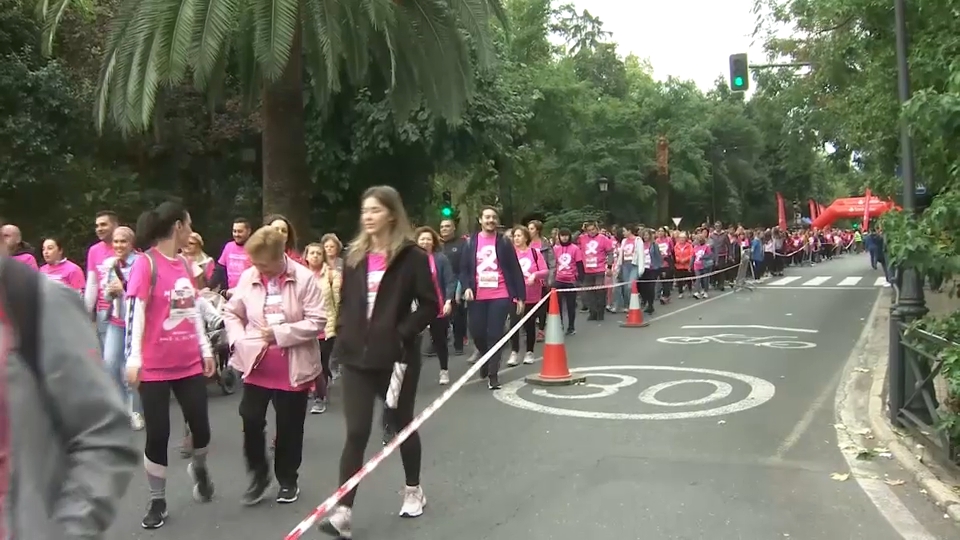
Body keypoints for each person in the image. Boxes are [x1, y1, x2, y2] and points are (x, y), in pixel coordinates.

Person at [318, 186, 438, 538]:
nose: (367, 216)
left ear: (391, 213)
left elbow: (430, 304)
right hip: (357, 358)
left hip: (397, 359)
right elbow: (347, 305)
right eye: (364, 210)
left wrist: (403, 332)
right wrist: (342, 336)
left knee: (400, 425)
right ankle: (343, 512)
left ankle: (414, 488)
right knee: (356, 432)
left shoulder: (411, 256)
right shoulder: (354, 256)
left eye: (375, 210)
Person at [0, 254, 139, 538]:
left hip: (114, 322)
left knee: (115, 366)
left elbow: (103, 433)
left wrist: (68, 530)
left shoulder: (30, 300)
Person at [125, 201, 217, 529]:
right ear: (178, 226)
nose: (192, 231)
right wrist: (134, 358)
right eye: (189, 224)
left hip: (189, 361)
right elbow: (135, 313)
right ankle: (157, 500)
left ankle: (200, 467)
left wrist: (206, 349)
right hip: (153, 365)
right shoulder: (145, 264)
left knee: (201, 429)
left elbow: (192, 310)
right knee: (158, 434)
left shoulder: (184, 265)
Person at [223, 226, 324, 506]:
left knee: (290, 426)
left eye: (264, 264)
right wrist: (238, 340)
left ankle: (288, 480)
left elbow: (317, 321)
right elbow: (232, 312)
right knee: (250, 417)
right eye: (254, 263)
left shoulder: (304, 278)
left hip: (294, 366)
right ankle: (258, 474)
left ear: (280, 257)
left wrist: (280, 334)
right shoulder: (249, 276)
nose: (258, 269)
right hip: (257, 363)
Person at [459, 206, 525, 389]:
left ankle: (493, 374)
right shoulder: (470, 242)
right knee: (477, 333)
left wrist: (519, 296)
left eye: (493, 217)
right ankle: (485, 358)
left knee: (494, 334)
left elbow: (515, 269)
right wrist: (466, 287)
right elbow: (464, 269)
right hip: (477, 295)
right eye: (487, 217)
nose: (490, 220)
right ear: (480, 220)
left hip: (500, 294)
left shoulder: (504, 242)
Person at [414, 226, 456, 384]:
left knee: (440, 340)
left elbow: (449, 280)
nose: (425, 242)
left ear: (433, 242)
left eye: (428, 239)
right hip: (417, 308)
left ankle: (443, 370)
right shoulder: (412, 261)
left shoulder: (440, 258)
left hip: (438, 306)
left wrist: (448, 301)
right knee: (413, 341)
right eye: (422, 239)